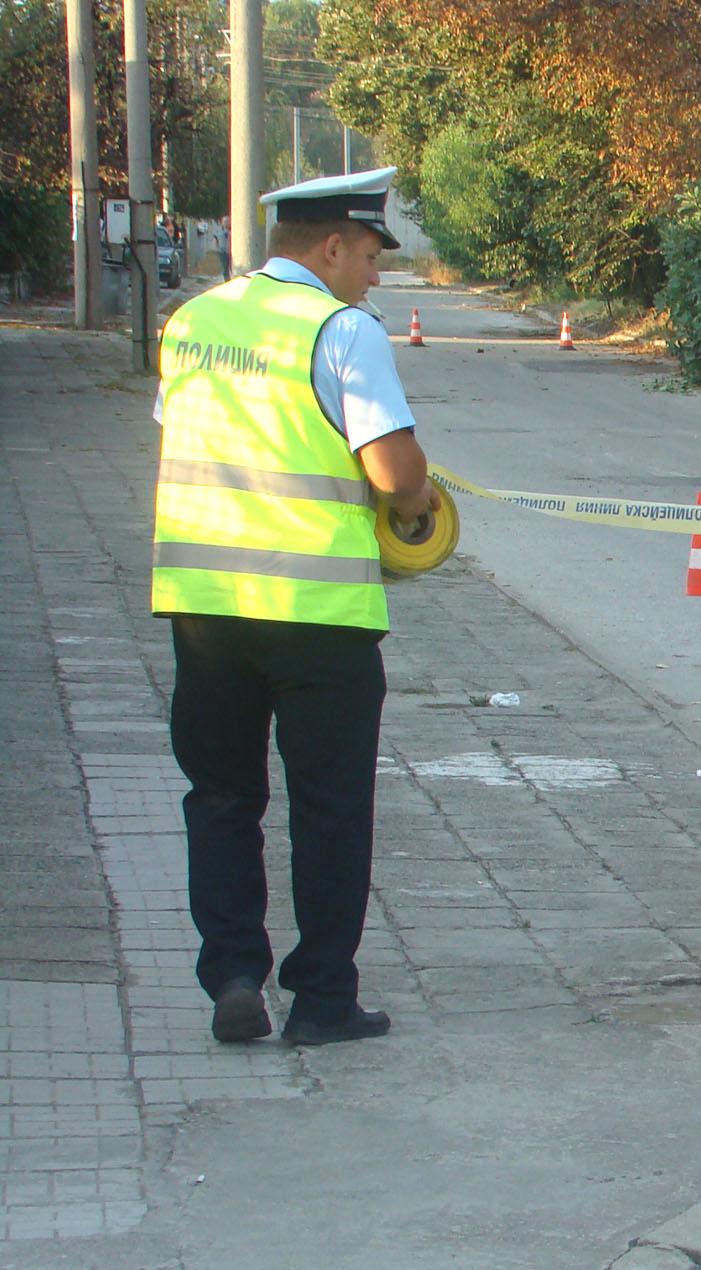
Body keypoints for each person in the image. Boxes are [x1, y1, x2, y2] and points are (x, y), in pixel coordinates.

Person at [152, 167, 438, 1047]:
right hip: (317, 614)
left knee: (222, 795)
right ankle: (321, 999)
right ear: (331, 245)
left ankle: (235, 973)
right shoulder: (342, 330)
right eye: (370, 255)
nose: (376, 275)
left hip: (204, 606)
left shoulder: (193, 320)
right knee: (329, 805)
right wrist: (417, 508)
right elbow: (395, 475)